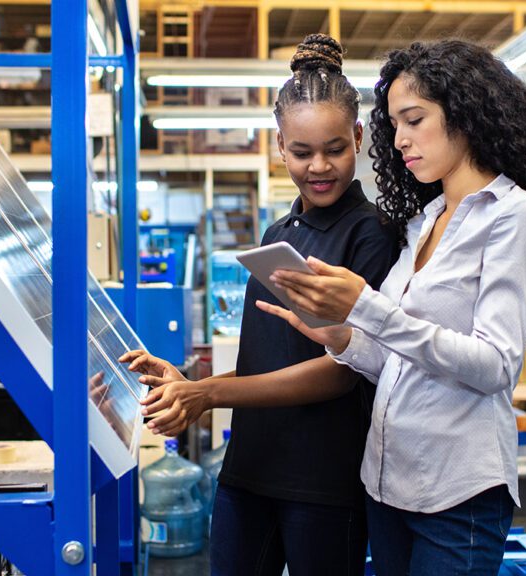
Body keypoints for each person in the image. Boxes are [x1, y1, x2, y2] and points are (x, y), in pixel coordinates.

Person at [258, 39, 526, 575]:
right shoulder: (425, 222)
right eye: (393, 125)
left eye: (414, 120)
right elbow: (396, 360)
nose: (399, 140)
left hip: (457, 491)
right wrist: (343, 337)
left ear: (463, 112)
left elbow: (493, 366)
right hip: (386, 483)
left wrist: (367, 308)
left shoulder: (517, 218)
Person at [120, 34, 398, 576]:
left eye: (335, 149)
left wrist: (209, 392)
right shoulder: (279, 232)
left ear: (359, 138)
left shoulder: (371, 234)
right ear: (279, 146)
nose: (319, 166)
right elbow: (267, 353)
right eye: (301, 152)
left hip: (322, 482)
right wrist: (187, 378)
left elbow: (343, 371)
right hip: (247, 470)